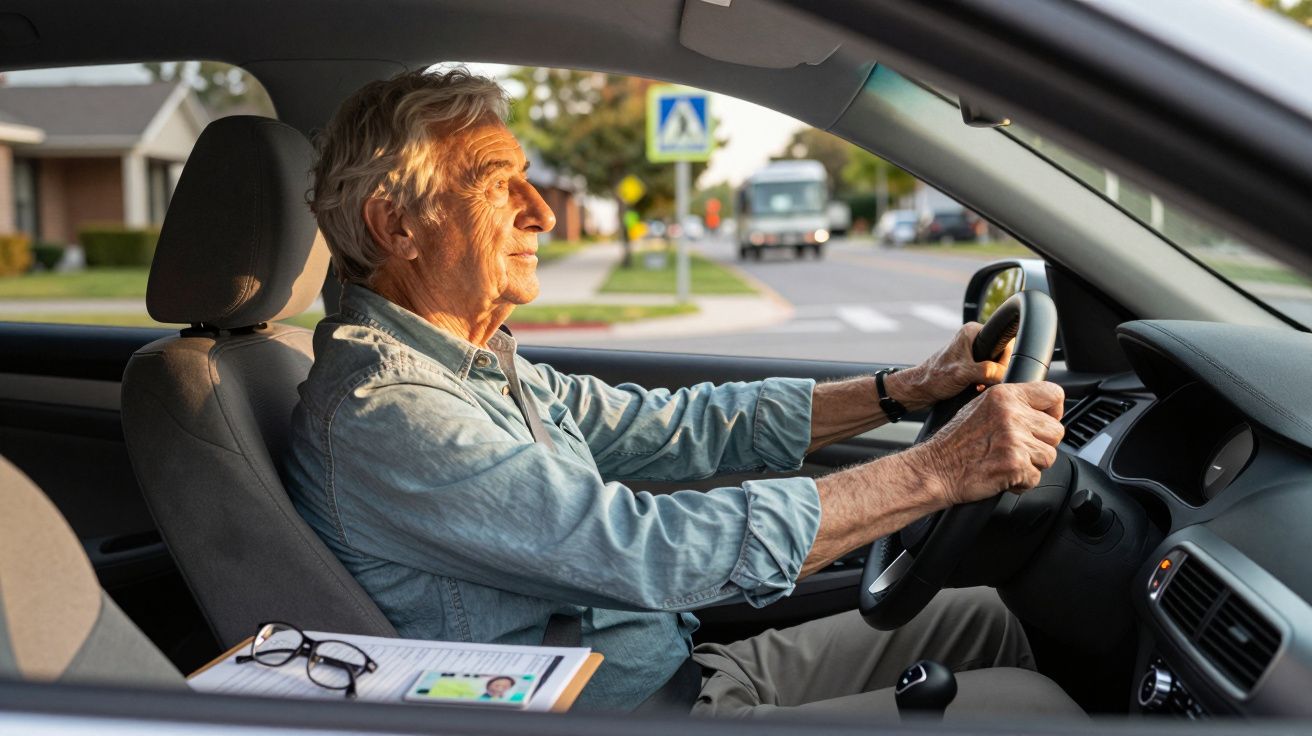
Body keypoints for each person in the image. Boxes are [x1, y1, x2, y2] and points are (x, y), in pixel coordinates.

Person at [283, 68, 1076, 718]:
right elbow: (645, 552)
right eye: (499, 184)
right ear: (397, 225)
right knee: (1031, 710)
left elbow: (678, 425)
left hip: (686, 674)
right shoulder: (389, 411)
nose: (542, 212)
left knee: (988, 616)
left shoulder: (472, 362)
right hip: (647, 713)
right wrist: (938, 470)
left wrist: (909, 388)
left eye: (529, 179)